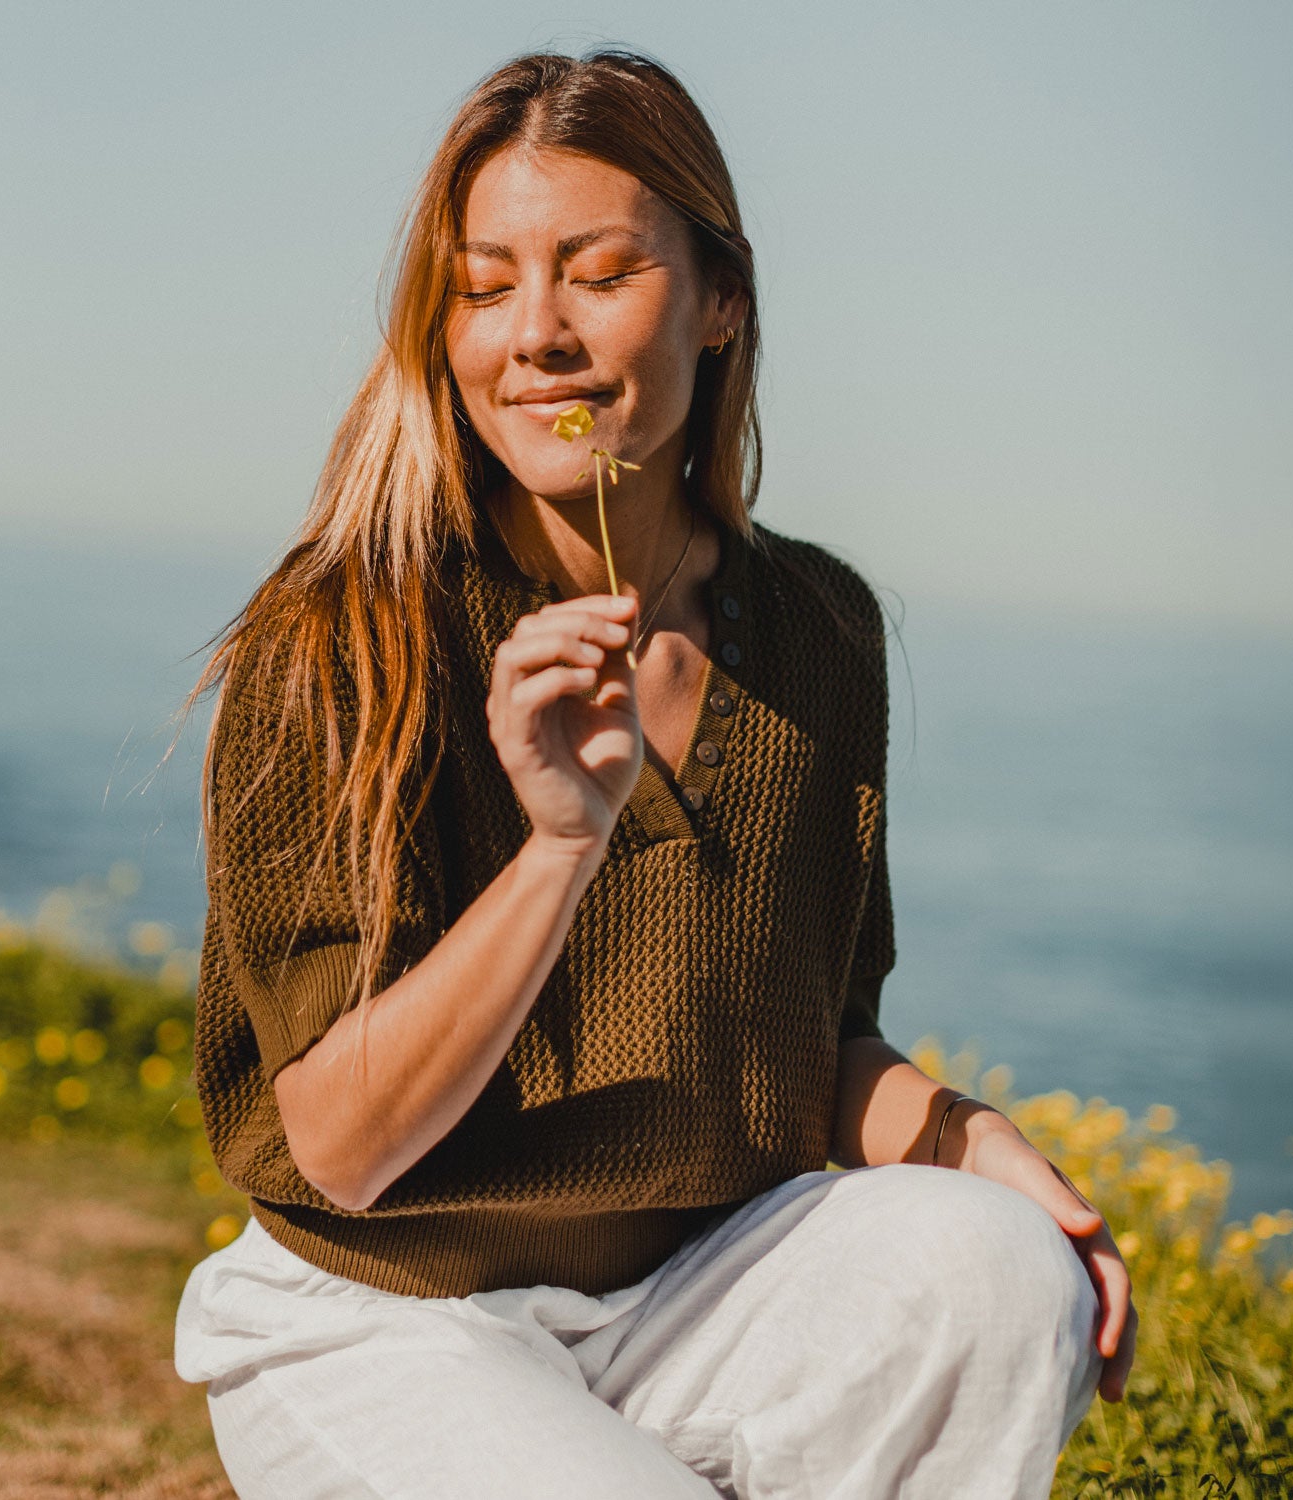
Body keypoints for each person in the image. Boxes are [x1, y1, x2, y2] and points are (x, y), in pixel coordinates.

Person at [174, 48, 1135, 1500]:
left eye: (598, 273)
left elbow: (810, 1052)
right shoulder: (340, 638)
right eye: (485, 286)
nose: (535, 336)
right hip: (382, 1323)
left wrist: (969, 1138)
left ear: (723, 299)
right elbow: (342, 1147)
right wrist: (562, 842)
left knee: (999, 1270)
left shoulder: (816, 630)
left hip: (690, 1301)